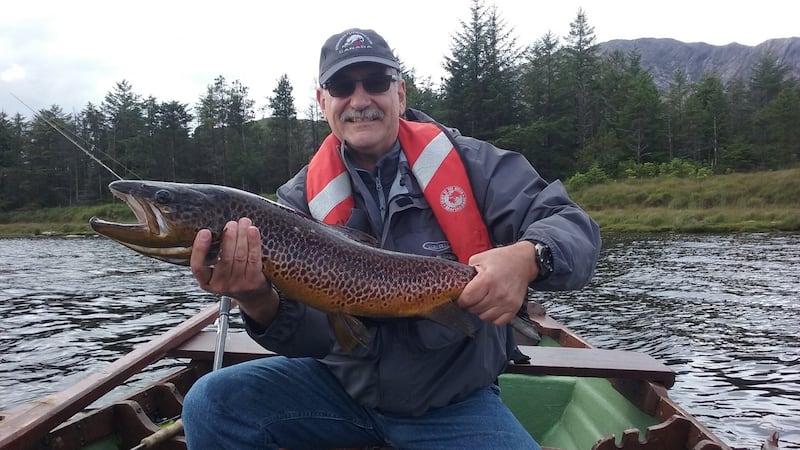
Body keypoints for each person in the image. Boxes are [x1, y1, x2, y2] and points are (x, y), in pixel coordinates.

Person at [182, 27, 601, 449]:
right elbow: (313, 336)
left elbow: (571, 224)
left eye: (376, 82)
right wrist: (257, 301)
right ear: (323, 102)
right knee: (211, 404)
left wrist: (528, 257)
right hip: (338, 391)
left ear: (399, 94)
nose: (359, 100)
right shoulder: (297, 200)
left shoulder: (475, 164)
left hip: (453, 403)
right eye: (342, 87)